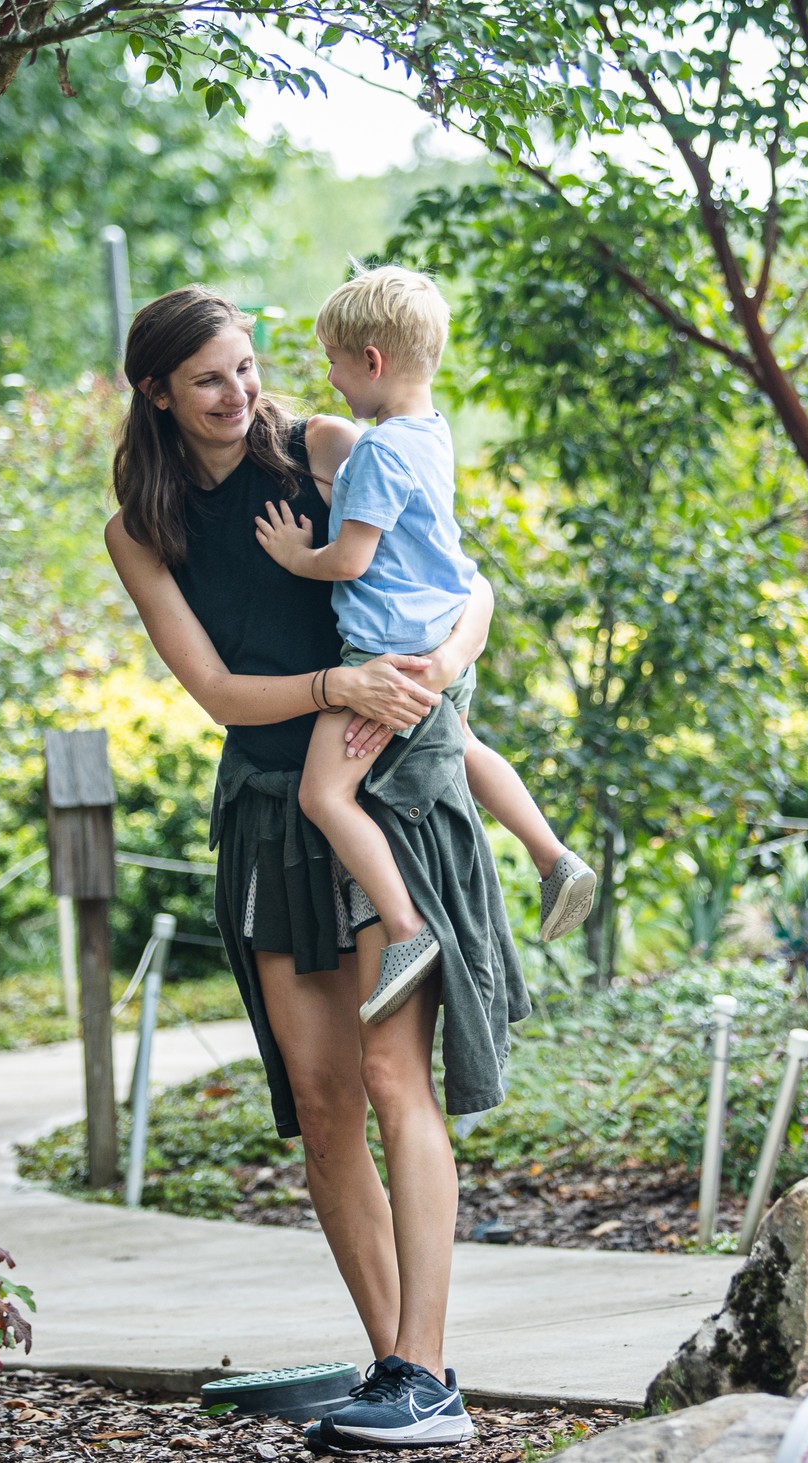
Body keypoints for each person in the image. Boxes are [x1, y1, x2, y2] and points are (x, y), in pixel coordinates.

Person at [105, 286, 525, 1450]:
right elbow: (219, 693)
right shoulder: (142, 525)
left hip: (375, 800)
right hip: (268, 807)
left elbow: (467, 584)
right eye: (208, 380)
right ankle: (401, 1367)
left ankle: (424, 1370)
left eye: (246, 367)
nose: (240, 394)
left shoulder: (327, 445)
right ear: (156, 392)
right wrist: (337, 685)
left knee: (398, 1082)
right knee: (327, 1099)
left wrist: (435, 660)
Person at [256, 266, 596, 1027]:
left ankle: (406, 931)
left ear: (371, 361)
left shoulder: (375, 453)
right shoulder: (431, 435)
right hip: (446, 643)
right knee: (466, 744)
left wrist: (293, 557)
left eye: (335, 363)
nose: (331, 379)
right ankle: (554, 857)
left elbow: (349, 560)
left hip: (389, 657)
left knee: (324, 794)